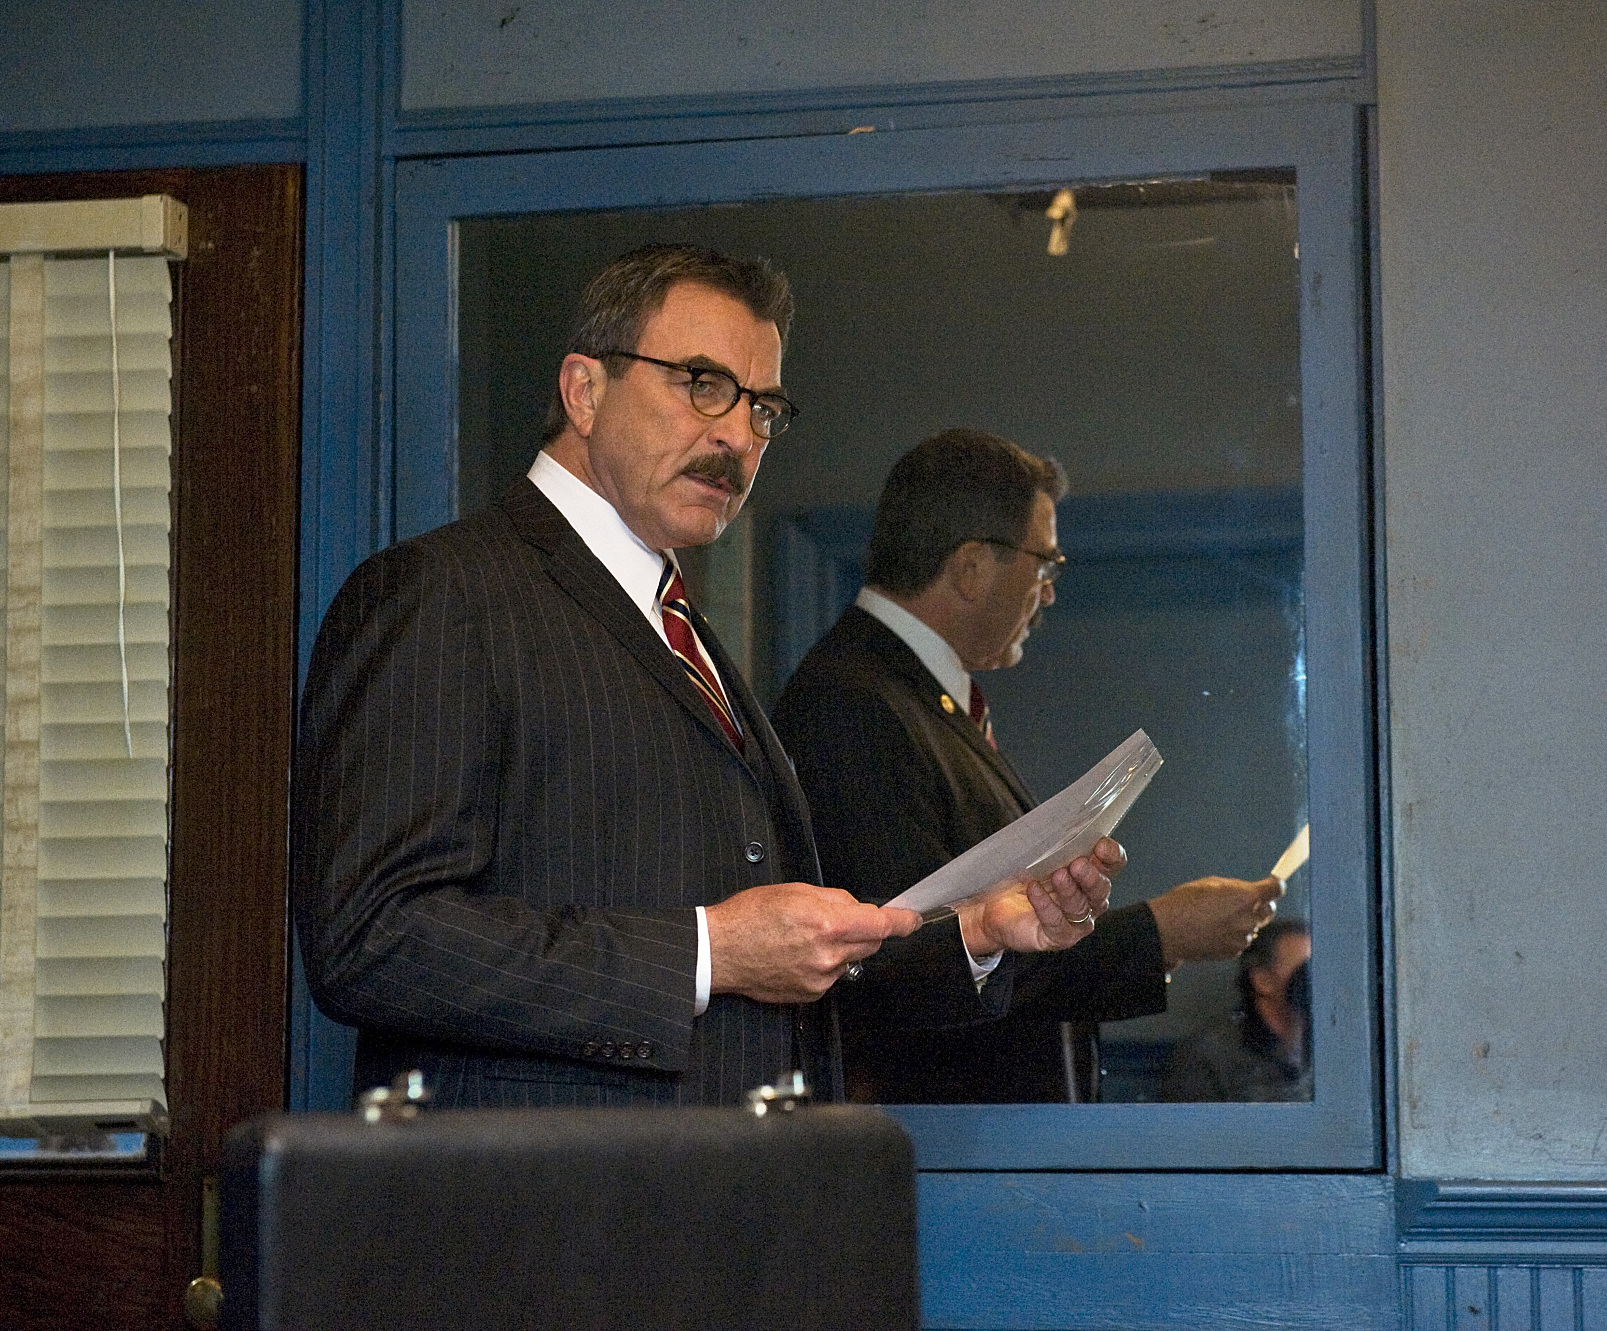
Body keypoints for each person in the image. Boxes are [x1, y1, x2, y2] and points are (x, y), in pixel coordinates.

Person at [292, 245, 1118, 1109]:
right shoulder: (444, 593)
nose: (735, 435)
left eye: (763, 407)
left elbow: (785, 969)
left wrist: (979, 933)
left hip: (725, 1204)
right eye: (699, 383)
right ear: (584, 391)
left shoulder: (682, 626)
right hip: (549, 1218)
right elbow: (370, 937)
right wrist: (708, 951)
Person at [772, 428, 1283, 1103]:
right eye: (1045, 565)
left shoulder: (922, 699)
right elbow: (905, 962)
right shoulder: (850, 701)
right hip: (940, 1148)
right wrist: (1159, 930)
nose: (1047, 594)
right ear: (972, 566)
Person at [1159, 917, 1312, 1102]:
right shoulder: (1209, 1056)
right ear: (1263, 980)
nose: (1314, 982)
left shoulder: (1326, 1046)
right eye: (1305, 971)